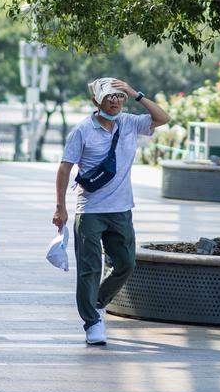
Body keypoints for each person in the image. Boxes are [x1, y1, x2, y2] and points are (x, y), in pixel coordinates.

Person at [53, 78, 169, 345]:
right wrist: (60, 207)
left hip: (121, 210)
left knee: (126, 263)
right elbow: (64, 169)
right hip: (91, 210)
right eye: (109, 96)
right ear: (97, 101)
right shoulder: (82, 130)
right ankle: (92, 323)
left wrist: (135, 92)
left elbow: (163, 117)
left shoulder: (129, 122)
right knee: (89, 269)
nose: (115, 100)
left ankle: (97, 302)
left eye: (119, 96)